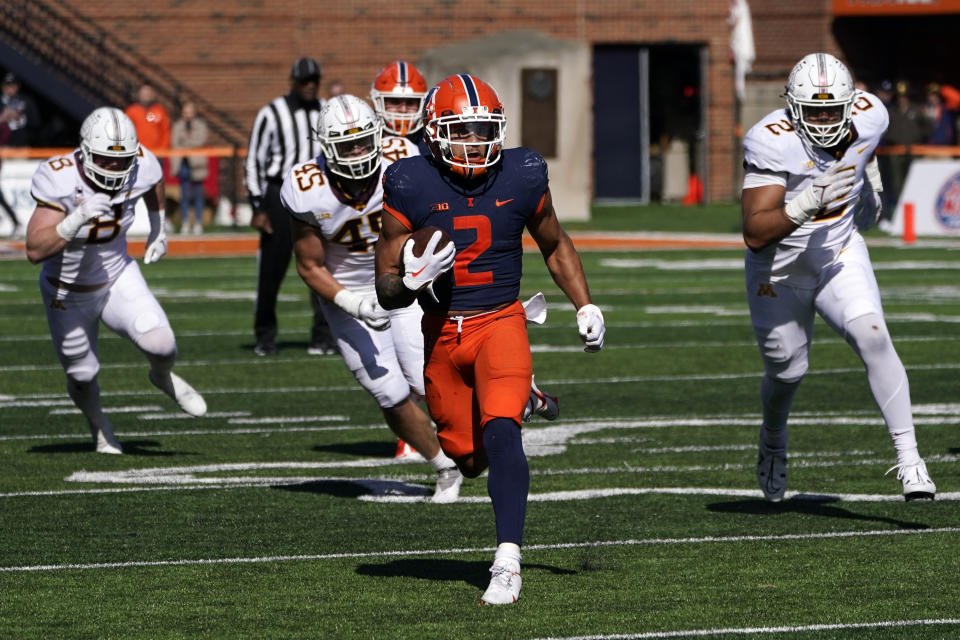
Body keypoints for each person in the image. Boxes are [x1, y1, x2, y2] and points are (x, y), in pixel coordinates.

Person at [374, 74, 605, 605]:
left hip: (502, 320)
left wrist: (584, 303)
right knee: (466, 456)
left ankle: (507, 561)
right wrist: (408, 283)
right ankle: (524, 394)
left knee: (503, 434)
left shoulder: (522, 173)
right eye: (462, 131)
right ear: (434, 133)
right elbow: (385, 287)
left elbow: (553, 240)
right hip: (441, 333)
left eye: (483, 131)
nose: (474, 144)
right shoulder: (409, 182)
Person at [740, 53, 936, 503]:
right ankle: (773, 437)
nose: (825, 119)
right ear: (792, 107)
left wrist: (868, 175)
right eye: (814, 111)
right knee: (788, 372)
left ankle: (910, 459)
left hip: (838, 254)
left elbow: (865, 143)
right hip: (779, 269)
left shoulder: (872, 115)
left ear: (852, 103)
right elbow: (755, 232)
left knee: (873, 335)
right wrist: (805, 202)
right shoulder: (772, 141)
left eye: (833, 109)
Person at [369, 60, 559, 461]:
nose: (400, 113)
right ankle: (509, 394)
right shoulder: (380, 152)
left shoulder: (435, 155)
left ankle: (511, 389)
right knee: (401, 386)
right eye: (393, 104)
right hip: (386, 263)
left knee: (419, 377)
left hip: (448, 281)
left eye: (408, 105)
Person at [280, 94, 463, 503]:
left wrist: (423, 270)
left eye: (364, 141)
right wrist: (355, 305)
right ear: (327, 147)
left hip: (400, 279)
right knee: (388, 393)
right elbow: (310, 265)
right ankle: (445, 468)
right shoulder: (306, 188)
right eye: (347, 145)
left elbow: (430, 219)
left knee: (422, 378)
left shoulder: (402, 158)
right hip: (347, 293)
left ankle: (502, 406)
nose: (359, 151)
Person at [24, 107, 207, 454]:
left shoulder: (141, 162)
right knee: (82, 374)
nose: (115, 168)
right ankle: (101, 431)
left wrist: (158, 228)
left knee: (162, 345)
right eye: (106, 160)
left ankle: (162, 376)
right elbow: (34, 249)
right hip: (67, 290)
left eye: (120, 162)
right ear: (86, 152)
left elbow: (153, 181)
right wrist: (75, 219)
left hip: (116, 274)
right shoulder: (60, 176)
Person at [244, 57, 335, 356]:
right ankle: (265, 335)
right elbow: (255, 159)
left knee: (324, 265)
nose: (310, 86)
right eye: (304, 81)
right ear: (293, 82)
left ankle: (322, 336)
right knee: (272, 269)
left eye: (314, 81)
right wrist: (258, 205)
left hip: (317, 194)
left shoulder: (326, 109)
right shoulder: (272, 113)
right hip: (279, 195)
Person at [170, 101, 209, 234]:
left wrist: (185, 142)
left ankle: (198, 223)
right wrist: (187, 144)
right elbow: (174, 142)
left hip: (197, 163)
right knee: (184, 195)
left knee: (198, 195)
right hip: (183, 164)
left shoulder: (200, 125)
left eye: (190, 112)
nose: (188, 115)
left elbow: (200, 140)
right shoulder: (177, 126)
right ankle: (185, 223)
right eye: (185, 112)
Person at [124, 83, 171, 153]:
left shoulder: (160, 110)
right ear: (139, 94)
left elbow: (166, 131)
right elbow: (125, 131)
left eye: (148, 93)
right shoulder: (131, 111)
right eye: (144, 93)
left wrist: (163, 149)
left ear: (153, 94)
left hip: (157, 153)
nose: (146, 95)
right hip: (137, 152)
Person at [1, 73, 42, 147]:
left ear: (18, 86)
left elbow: (36, 123)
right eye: (8, 85)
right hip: (2, 146)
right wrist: (2, 117)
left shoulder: (26, 101)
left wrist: (20, 118)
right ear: (2, 86)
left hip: (20, 147)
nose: (10, 88)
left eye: (13, 85)